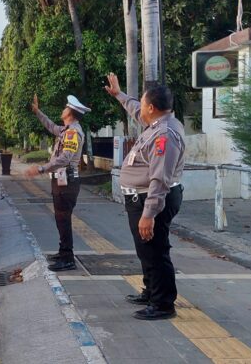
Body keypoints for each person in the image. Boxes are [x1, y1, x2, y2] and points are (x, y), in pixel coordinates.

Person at [105, 72, 185, 320]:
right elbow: (135, 109)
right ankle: (151, 291)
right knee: (146, 249)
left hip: (151, 200)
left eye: (143, 103)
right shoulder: (158, 123)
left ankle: (163, 304)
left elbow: (159, 178)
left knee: (155, 250)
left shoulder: (164, 135)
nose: (139, 107)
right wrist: (119, 94)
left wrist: (149, 214)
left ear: (152, 107)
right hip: (139, 199)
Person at [25, 94, 89, 271]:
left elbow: (65, 158)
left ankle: (68, 259)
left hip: (67, 181)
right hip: (63, 181)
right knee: (61, 219)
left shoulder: (72, 133)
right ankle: (63, 252)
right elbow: (50, 126)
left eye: (65, 108)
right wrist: (38, 112)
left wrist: (40, 169)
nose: (63, 109)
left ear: (71, 113)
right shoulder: (66, 130)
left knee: (64, 219)